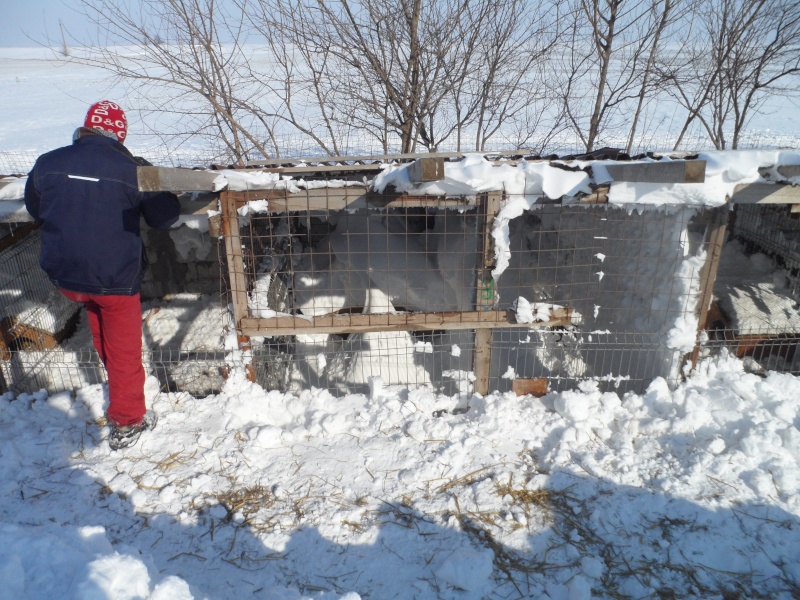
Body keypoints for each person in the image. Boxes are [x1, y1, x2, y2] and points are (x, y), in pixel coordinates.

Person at [24, 100, 180, 450]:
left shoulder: (47, 163)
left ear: (87, 129)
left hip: (68, 278)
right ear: (119, 134)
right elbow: (164, 217)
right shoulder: (131, 169)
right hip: (113, 280)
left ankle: (119, 385)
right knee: (124, 348)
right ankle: (128, 422)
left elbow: (36, 208)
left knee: (100, 323)